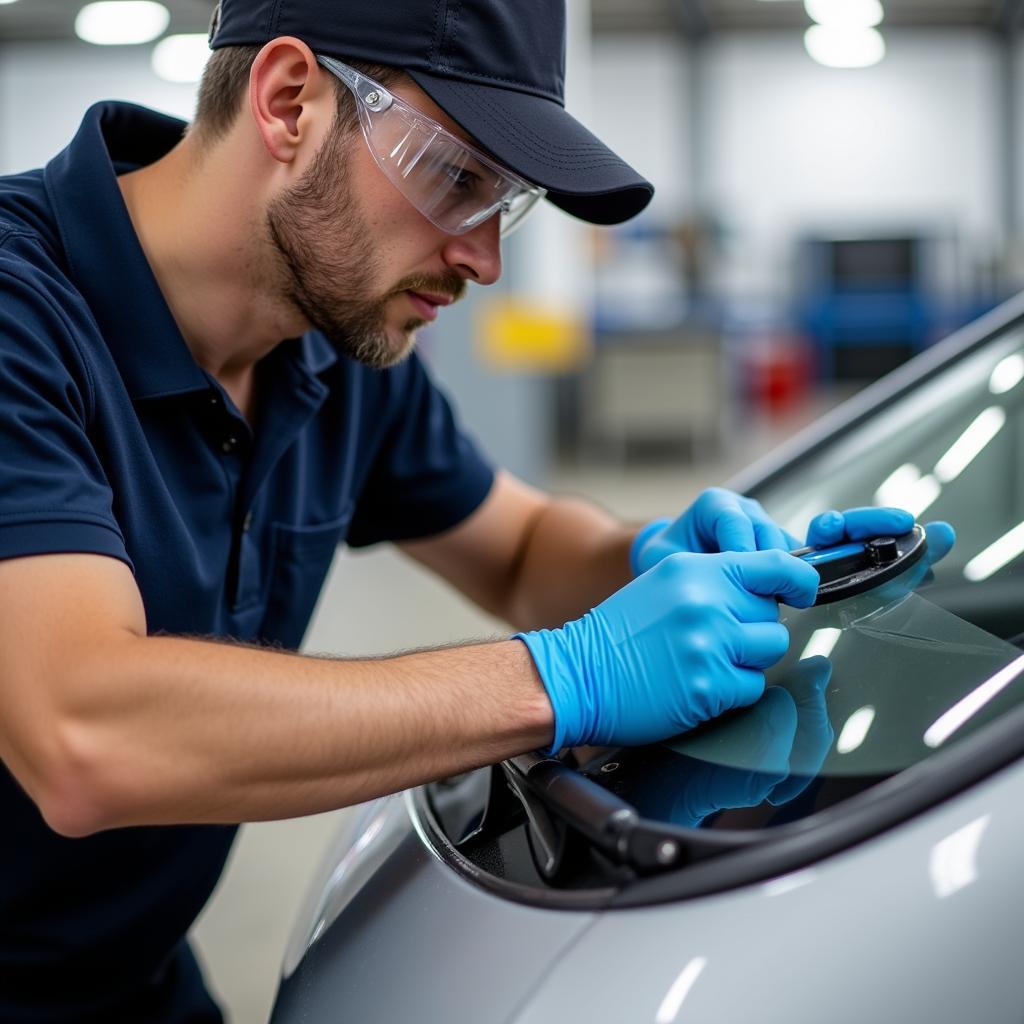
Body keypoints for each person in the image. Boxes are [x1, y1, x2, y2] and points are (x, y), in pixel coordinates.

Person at [0, 1, 916, 1019]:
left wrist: (657, 566)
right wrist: (566, 676)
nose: (484, 258)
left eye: (506, 202)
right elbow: (82, 733)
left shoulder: (330, 342)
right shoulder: (20, 314)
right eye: (455, 176)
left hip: (126, 980)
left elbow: (518, 545)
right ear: (290, 101)